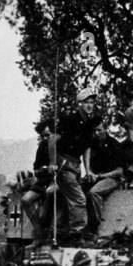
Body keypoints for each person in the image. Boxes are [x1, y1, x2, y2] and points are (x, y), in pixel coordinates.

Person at [54, 89, 100, 242]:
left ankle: (62, 232)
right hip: (64, 163)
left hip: (75, 164)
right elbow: (53, 140)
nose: (89, 105)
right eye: (86, 102)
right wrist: (54, 162)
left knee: (70, 199)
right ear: (80, 104)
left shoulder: (89, 123)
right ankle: (76, 233)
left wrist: (88, 170)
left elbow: (87, 147)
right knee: (78, 199)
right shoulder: (70, 120)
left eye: (92, 103)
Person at [18, 121, 58, 241]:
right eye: (43, 136)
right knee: (25, 200)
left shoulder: (61, 145)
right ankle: (39, 230)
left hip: (59, 181)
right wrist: (45, 169)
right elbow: (36, 169)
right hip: (43, 181)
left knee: (51, 193)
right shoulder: (42, 146)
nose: (45, 138)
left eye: (48, 135)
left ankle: (46, 227)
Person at [84, 124, 126, 235]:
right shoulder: (93, 145)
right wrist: (90, 173)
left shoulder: (114, 145)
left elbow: (119, 171)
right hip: (96, 177)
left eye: (99, 130)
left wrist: (102, 176)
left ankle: (95, 228)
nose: (96, 133)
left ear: (105, 130)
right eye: (94, 131)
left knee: (94, 192)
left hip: (113, 178)